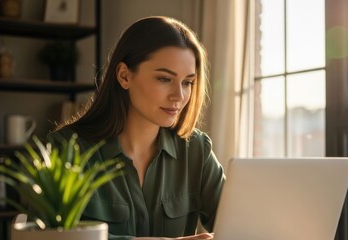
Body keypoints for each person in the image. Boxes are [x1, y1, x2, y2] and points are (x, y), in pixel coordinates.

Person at [46, 16, 225, 240]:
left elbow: (240, 224)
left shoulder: (196, 149)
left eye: (187, 82)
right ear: (124, 76)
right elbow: (49, 236)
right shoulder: (66, 149)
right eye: (164, 79)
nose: (179, 96)